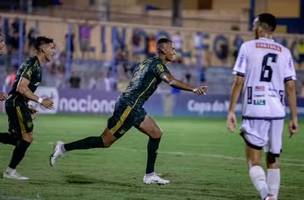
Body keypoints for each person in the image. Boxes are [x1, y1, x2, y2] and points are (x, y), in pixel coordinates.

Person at [50, 38, 208, 185]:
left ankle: (149, 175)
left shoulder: (147, 62)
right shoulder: (158, 65)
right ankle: (63, 148)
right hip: (128, 106)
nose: (174, 52)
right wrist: (194, 88)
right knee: (105, 141)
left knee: (156, 133)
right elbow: (171, 81)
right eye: (172, 49)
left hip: (134, 106)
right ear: (163, 50)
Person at [226, 13, 298, 200]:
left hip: (255, 108)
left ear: (259, 27)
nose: (252, 29)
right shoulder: (285, 52)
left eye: (253, 25)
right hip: (277, 111)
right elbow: (291, 86)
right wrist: (294, 118)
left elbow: (238, 80)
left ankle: (267, 195)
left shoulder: (247, 47)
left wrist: (231, 110)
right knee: (273, 159)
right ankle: (272, 197)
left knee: (253, 160)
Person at [0, 36, 55, 180]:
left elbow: (22, 89)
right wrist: (41, 100)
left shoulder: (37, 65)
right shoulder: (32, 64)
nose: (53, 51)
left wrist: (29, 105)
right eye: (51, 47)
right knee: (27, 137)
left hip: (18, 103)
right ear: (42, 49)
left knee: (17, 138)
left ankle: (10, 171)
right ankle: (10, 171)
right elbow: (21, 87)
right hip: (16, 103)